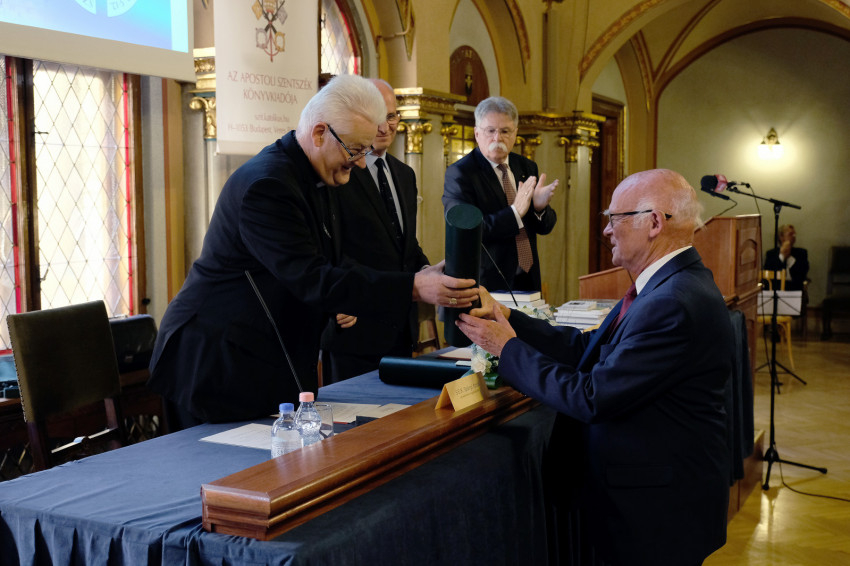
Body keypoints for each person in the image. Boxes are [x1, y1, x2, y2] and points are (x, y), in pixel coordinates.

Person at [148, 75, 478, 429]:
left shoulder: (317, 175)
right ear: (320, 133)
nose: (360, 163)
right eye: (355, 150)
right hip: (216, 363)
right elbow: (310, 278)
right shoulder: (268, 185)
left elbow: (334, 260)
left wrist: (419, 276)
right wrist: (412, 287)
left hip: (266, 357)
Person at [456, 169, 734, 566]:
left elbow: (591, 397)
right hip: (654, 498)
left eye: (614, 218)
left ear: (654, 222)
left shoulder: (671, 301)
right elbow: (588, 349)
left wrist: (506, 348)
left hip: (657, 510)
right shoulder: (670, 283)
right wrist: (508, 316)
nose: (606, 230)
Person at [320, 79, 430, 383]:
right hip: (355, 327)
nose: (384, 127)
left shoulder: (405, 174)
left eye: (391, 116)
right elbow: (329, 249)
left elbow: (404, 246)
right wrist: (340, 301)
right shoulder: (338, 169)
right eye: (377, 118)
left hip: (400, 327)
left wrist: (427, 272)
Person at [442, 96, 558, 293]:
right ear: (477, 133)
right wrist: (514, 213)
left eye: (505, 131)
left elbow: (545, 227)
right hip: (487, 284)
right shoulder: (460, 173)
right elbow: (468, 231)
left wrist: (539, 208)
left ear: (515, 133)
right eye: (490, 131)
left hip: (528, 280)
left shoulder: (526, 166)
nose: (497, 138)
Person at [764, 223, 808, 291]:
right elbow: (769, 273)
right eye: (790, 234)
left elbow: (802, 273)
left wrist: (789, 257)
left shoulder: (801, 253)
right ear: (781, 237)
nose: (794, 236)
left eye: (794, 234)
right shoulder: (771, 254)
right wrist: (782, 256)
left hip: (794, 288)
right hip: (775, 288)